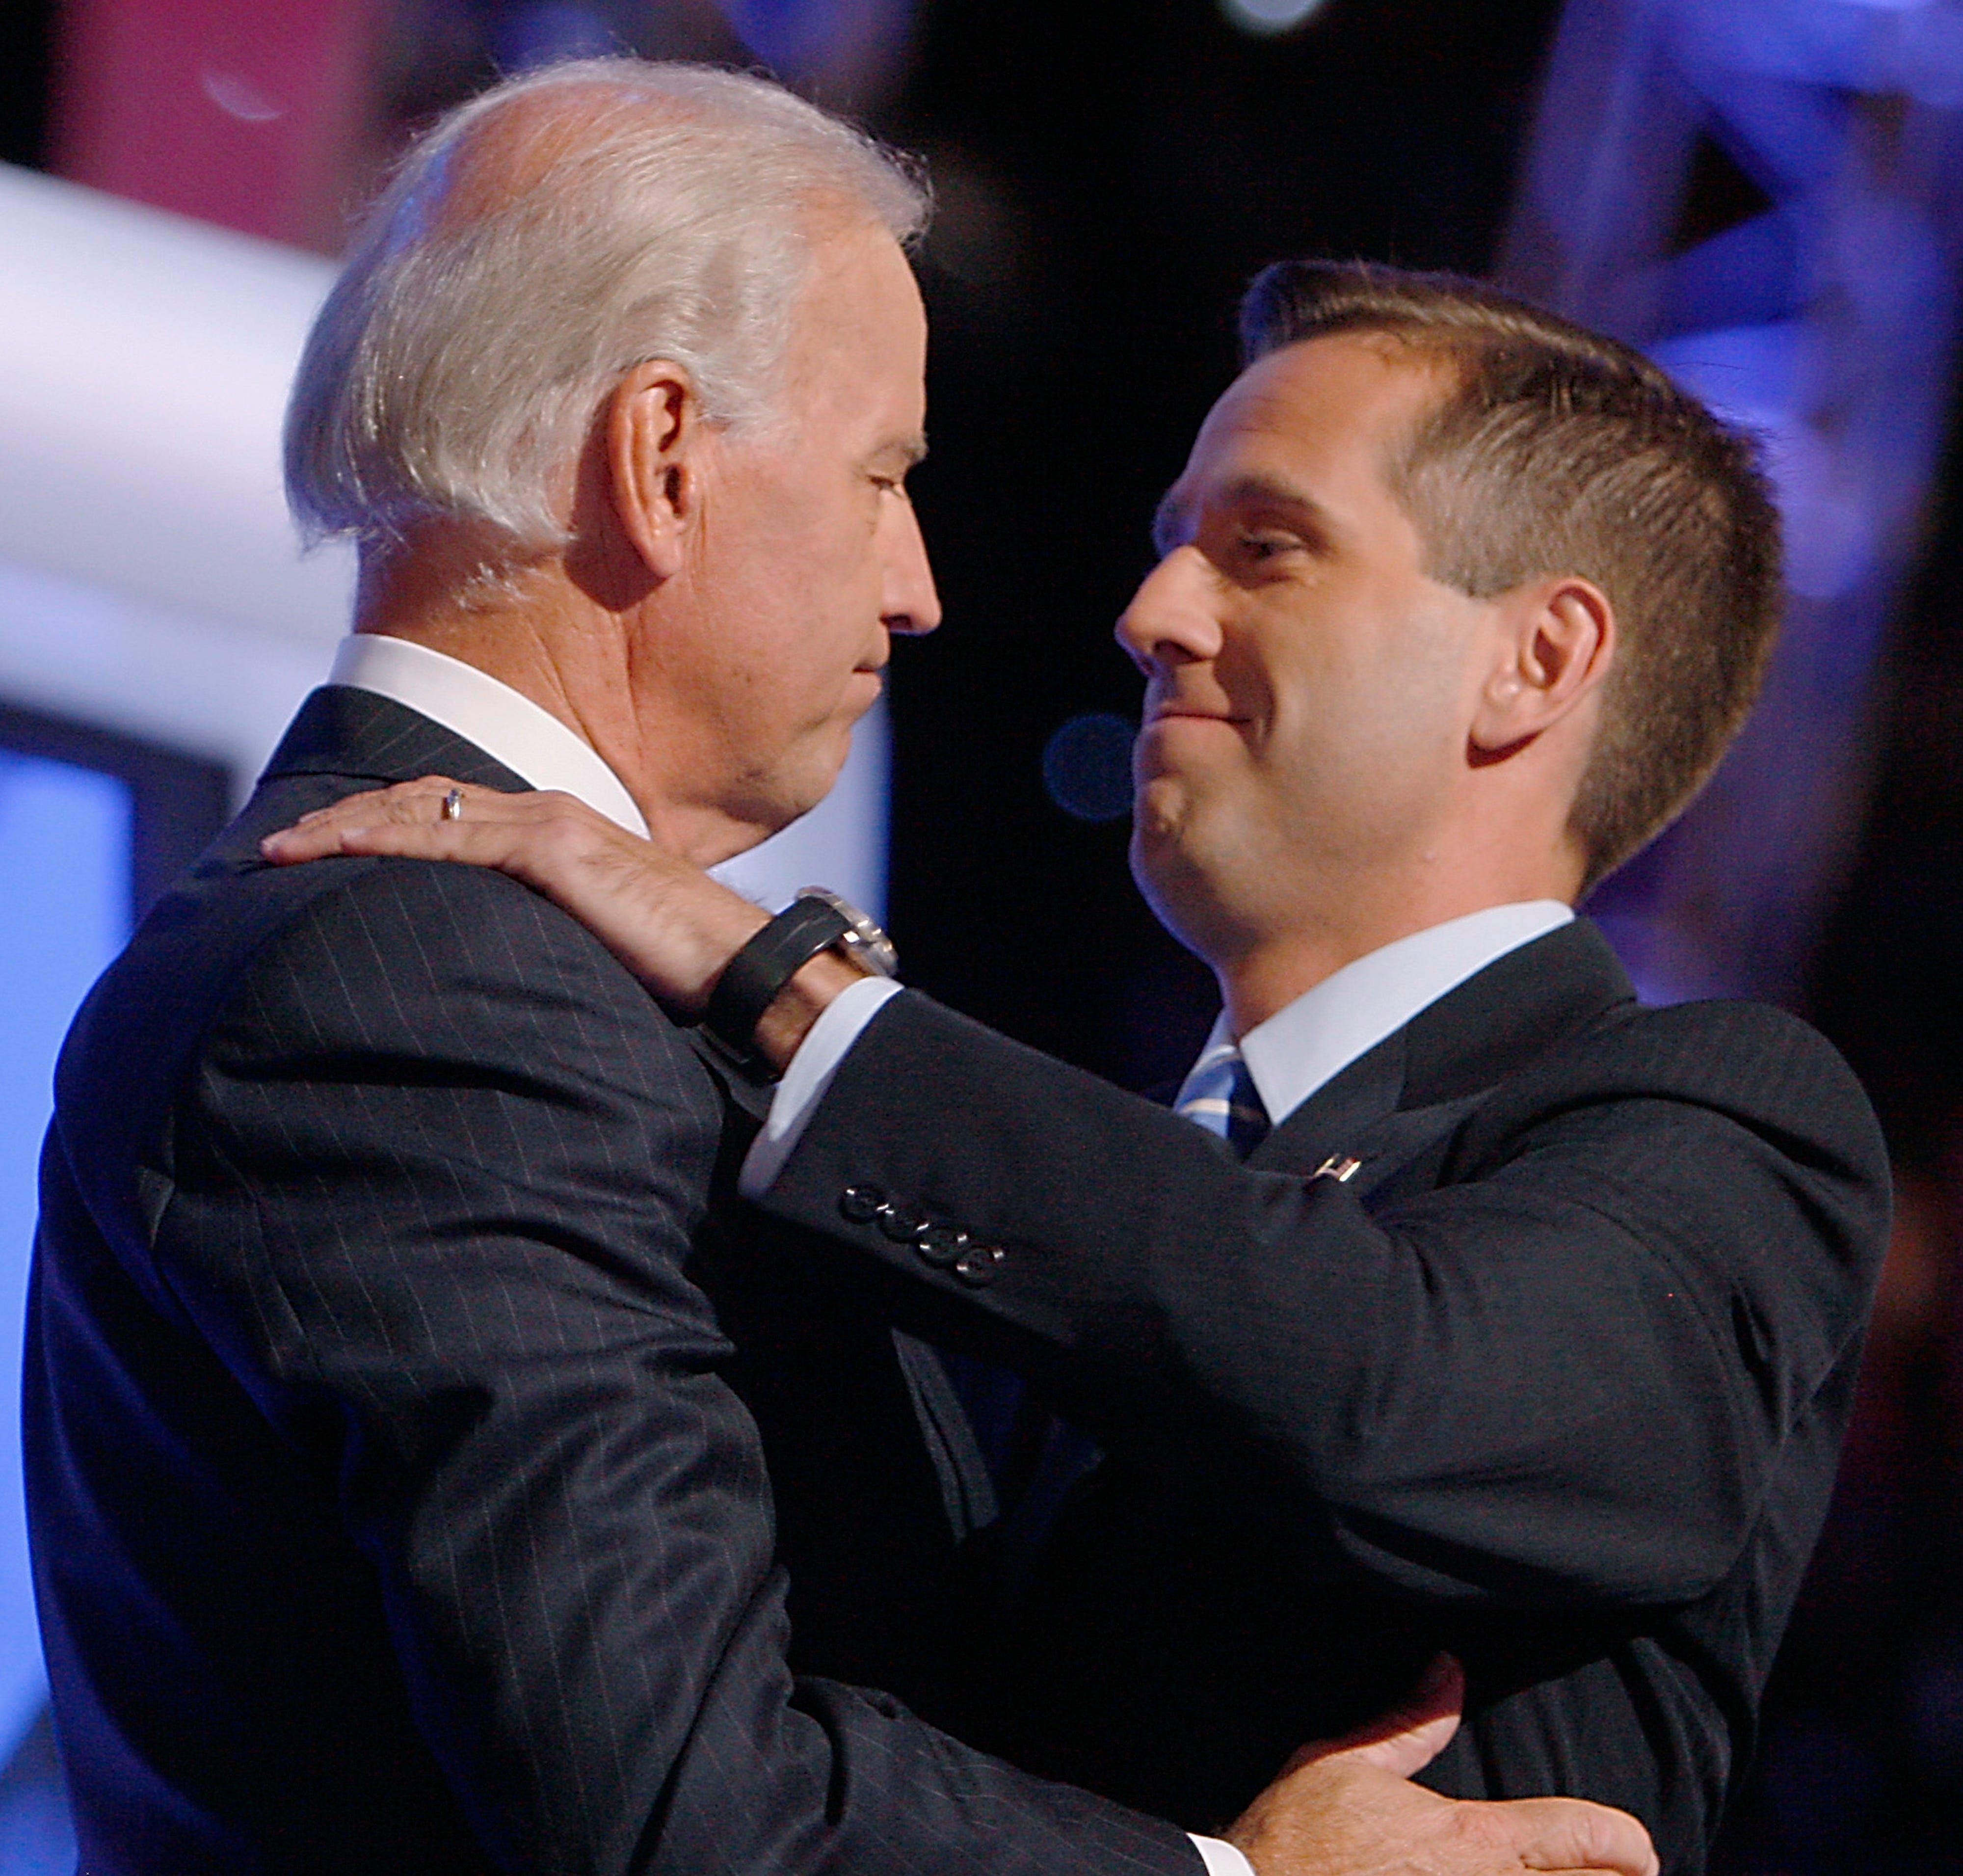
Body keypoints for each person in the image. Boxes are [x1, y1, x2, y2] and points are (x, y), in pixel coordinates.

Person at [23, 59, 1653, 1876]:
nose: (919, 583)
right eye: (885, 475)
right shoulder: (421, 983)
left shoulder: (460, 960)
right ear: (661, 461)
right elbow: (678, 1814)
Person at [269, 263, 1893, 1876]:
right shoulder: (1052, 1196)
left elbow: (1390, 1389)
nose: (1155, 614)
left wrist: (784, 984)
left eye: (1267, 550)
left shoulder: (1727, 1127)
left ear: (1536, 660)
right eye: (1173, 545)